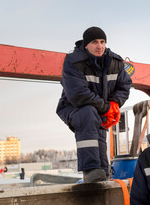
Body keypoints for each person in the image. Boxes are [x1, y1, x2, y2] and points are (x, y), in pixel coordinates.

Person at [56, 26, 132, 183]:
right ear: (86, 45)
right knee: (88, 113)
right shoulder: (73, 62)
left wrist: (115, 104)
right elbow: (78, 95)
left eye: (103, 42)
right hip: (73, 107)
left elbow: (124, 86)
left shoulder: (115, 62)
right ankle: (90, 169)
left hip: (99, 109)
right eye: (95, 42)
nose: (100, 46)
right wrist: (106, 107)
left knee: (99, 132)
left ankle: (102, 173)